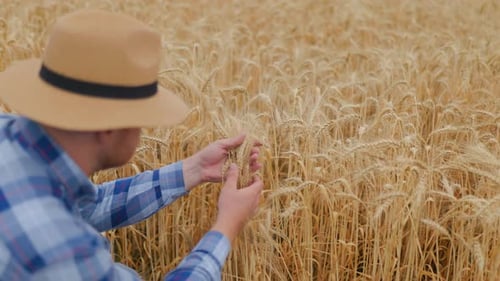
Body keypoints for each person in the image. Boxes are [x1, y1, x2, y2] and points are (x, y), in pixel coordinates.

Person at [0, 9, 263, 281]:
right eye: (141, 118)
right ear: (110, 126)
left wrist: (194, 169)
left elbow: (87, 206)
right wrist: (226, 226)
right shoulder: (62, 251)